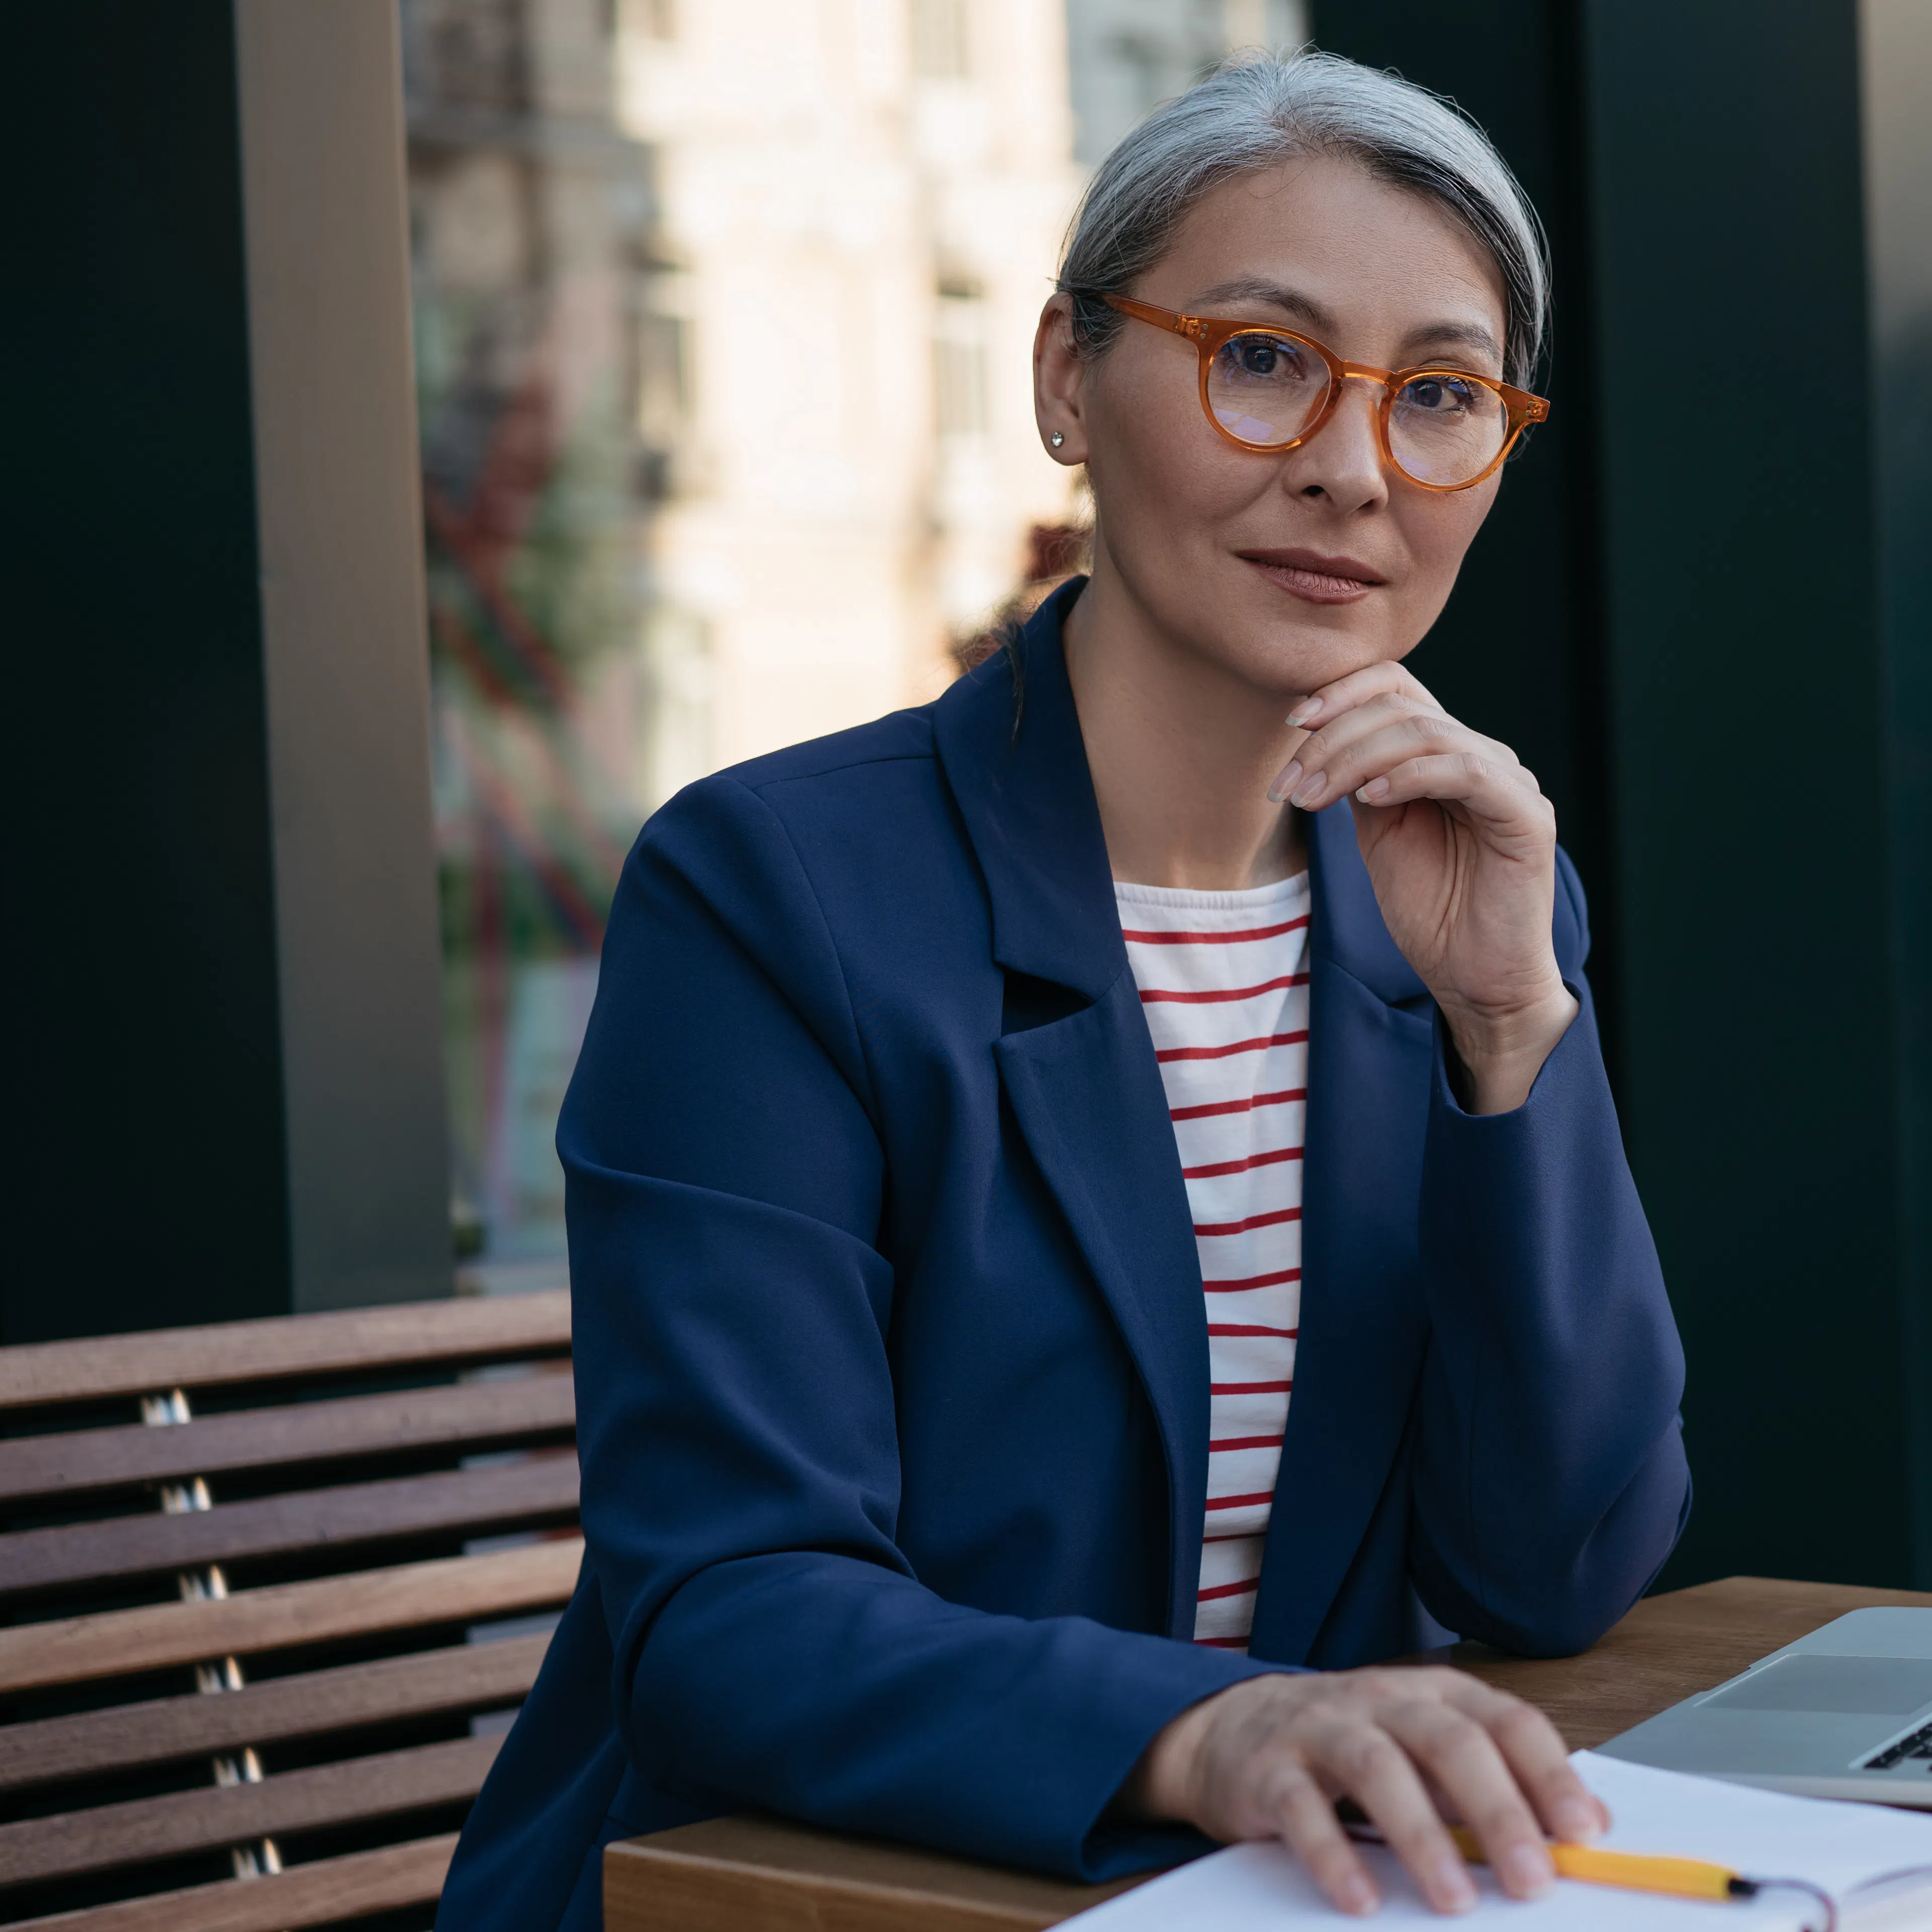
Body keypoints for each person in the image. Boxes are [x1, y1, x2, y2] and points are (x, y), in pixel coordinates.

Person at [437, 50, 1688, 1929]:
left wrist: (1516, 1027)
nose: (1349, 468)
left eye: (1438, 397)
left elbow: (1559, 1569)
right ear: (1061, 380)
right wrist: (1217, 1731)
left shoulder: (1456, 899)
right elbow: (727, 1611)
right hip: (804, 1893)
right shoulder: (777, 891)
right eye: (1261, 357)